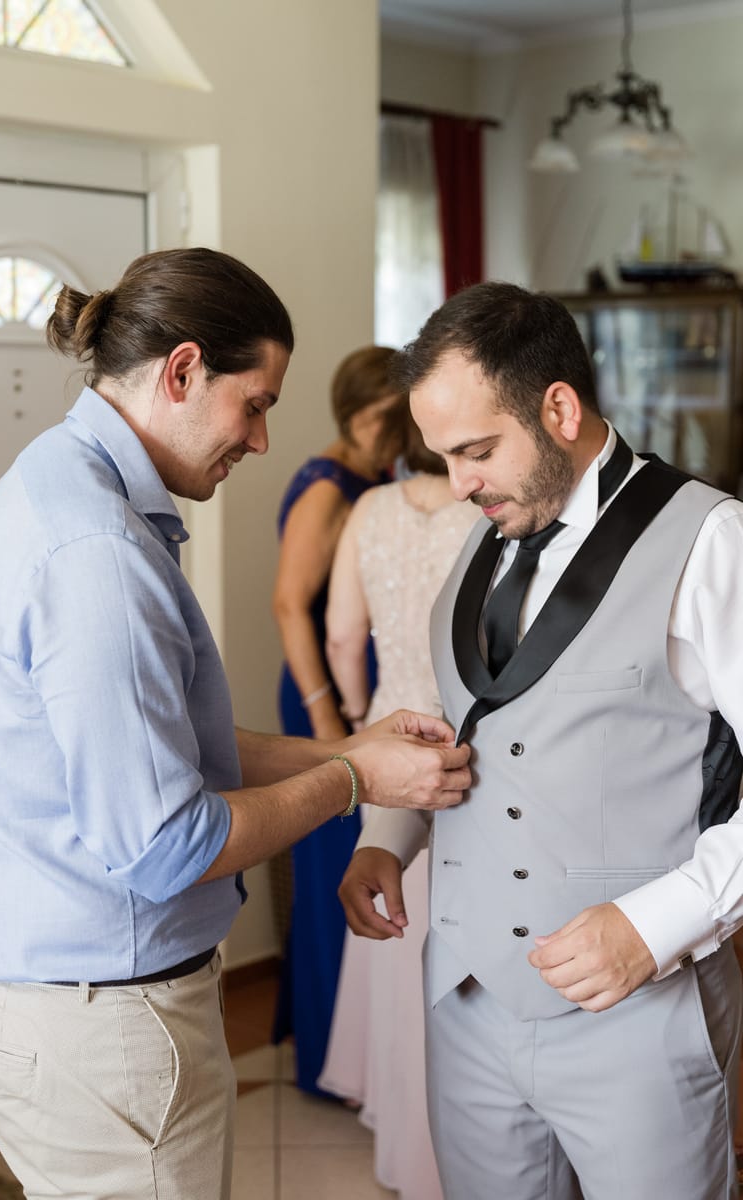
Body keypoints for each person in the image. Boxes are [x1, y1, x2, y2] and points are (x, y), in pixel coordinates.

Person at [0, 247, 473, 1200]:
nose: (263, 441)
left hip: (45, 993)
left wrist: (347, 744)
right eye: (256, 403)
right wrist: (354, 781)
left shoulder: (59, 480)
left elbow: (171, 752)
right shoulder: (96, 553)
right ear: (183, 371)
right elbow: (168, 845)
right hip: (98, 1024)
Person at [338, 280, 743, 1200]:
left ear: (558, 408)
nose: (457, 484)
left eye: (476, 451)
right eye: (443, 457)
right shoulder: (486, 532)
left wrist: (657, 927)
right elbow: (469, 728)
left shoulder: (712, 541)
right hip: (469, 1009)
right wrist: (385, 841)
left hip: (640, 1016)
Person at [318, 398, 479, 1199]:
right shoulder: (484, 510)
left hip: (388, 746)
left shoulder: (367, 510)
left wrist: (356, 719)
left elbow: (343, 634)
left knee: (391, 930)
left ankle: (402, 1127)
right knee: (455, 952)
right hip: (466, 755)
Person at [271, 345, 402, 1095]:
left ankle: (354, 1054)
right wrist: (328, 719)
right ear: (360, 416)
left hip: (353, 692)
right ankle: (328, 1061)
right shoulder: (327, 486)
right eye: (391, 417)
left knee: (356, 864)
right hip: (322, 696)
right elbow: (291, 605)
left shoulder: (374, 479)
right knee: (335, 872)